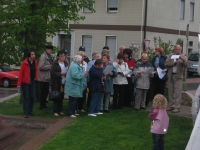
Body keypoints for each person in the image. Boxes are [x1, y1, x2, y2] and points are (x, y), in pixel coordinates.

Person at [164, 45, 188, 113]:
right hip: (171, 75)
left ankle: (177, 107)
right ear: (174, 49)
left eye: (179, 49)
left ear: (181, 50)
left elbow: (186, 65)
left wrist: (183, 60)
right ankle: (171, 106)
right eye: (176, 49)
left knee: (177, 92)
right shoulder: (171, 55)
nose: (178, 51)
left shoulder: (183, 56)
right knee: (170, 91)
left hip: (178, 76)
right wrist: (173, 63)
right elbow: (166, 63)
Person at [17, 50, 38, 118]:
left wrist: (36, 78)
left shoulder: (35, 62)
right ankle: (25, 112)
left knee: (32, 97)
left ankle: (30, 110)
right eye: (32, 54)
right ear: (29, 55)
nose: (33, 56)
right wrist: (19, 84)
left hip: (33, 82)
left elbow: (36, 71)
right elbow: (21, 74)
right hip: (25, 82)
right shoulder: (24, 63)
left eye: (34, 54)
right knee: (26, 97)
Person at [50, 51, 68, 116]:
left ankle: (60, 110)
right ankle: (55, 110)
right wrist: (61, 73)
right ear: (58, 57)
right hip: (56, 82)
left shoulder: (66, 63)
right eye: (61, 56)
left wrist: (66, 73)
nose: (63, 57)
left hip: (63, 82)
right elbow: (52, 73)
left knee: (61, 96)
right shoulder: (55, 64)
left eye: (64, 56)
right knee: (56, 96)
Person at [38, 45, 53, 110]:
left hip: (47, 77)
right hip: (43, 78)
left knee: (46, 92)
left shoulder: (49, 56)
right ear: (47, 49)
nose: (51, 51)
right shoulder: (43, 56)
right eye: (50, 50)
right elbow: (41, 66)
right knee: (43, 93)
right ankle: (42, 106)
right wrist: (50, 66)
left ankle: (44, 105)